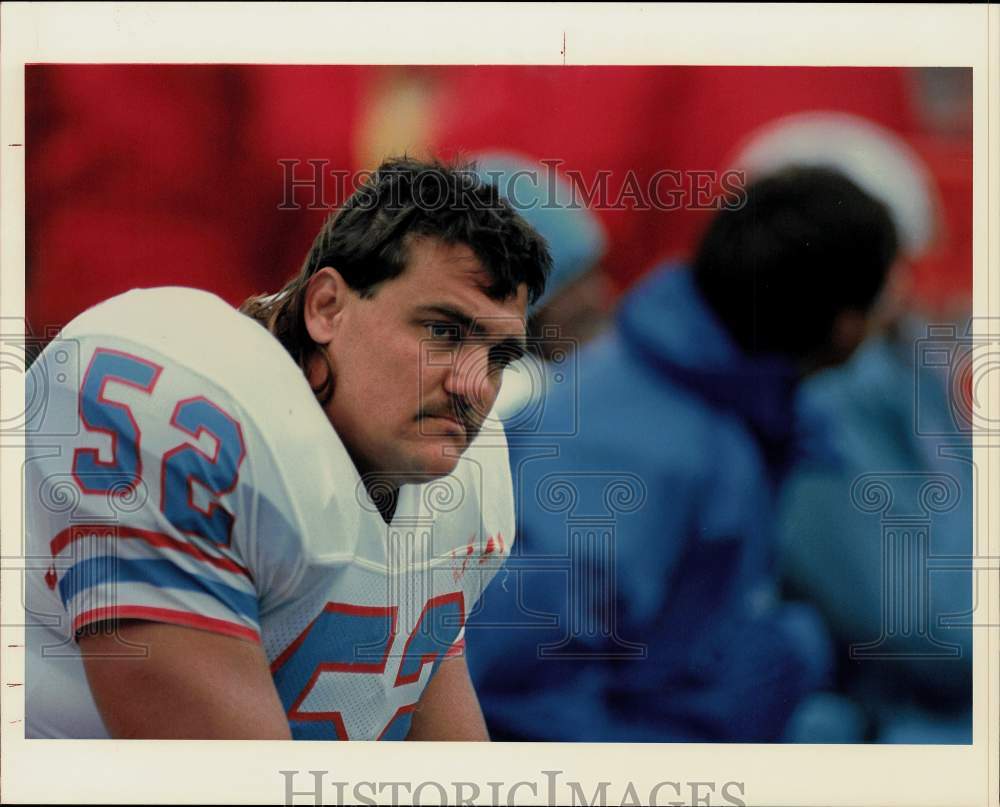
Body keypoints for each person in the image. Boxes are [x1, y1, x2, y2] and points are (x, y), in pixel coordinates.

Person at [24, 157, 551, 740]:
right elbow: (217, 784)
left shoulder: (459, 476)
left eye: (500, 356)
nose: (474, 386)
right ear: (327, 307)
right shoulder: (183, 405)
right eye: (443, 332)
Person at [463, 166, 900, 742]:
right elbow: (510, 698)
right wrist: (697, 741)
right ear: (846, 328)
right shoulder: (632, 450)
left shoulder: (727, 406)